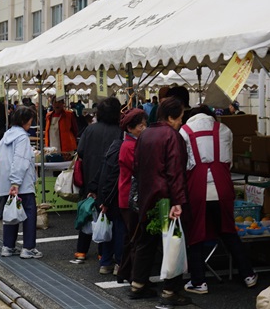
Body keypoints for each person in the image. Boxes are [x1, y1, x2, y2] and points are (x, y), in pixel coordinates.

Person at [180, 105, 257, 295]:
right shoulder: (224, 130)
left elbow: (184, 162)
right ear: (211, 115)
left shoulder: (184, 131)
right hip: (222, 187)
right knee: (228, 231)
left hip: (197, 188)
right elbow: (228, 161)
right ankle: (248, 274)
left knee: (195, 234)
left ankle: (199, 281)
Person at [129, 97, 191, 306]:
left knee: (146, 240)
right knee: (172, 243)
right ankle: (170, 291)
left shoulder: (145, 134)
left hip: (148, 196)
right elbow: (175, 172)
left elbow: (136, 167)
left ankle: (137, 284)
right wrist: (178, 201)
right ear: (171, 117)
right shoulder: (173, 136)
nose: (181, 122)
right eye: (180, 118)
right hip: (166, 198)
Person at [73, 97, 123, 267]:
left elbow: (80, 151)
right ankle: (103, 253)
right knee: (106, 216)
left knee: (87, 213)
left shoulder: (90, 130)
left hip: (89, 177)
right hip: (110, 181)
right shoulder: (119, 132)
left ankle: (81, 251)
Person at [0, 106, 43, 259]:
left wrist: (10, 183)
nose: (30, 124)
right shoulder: (22, 137)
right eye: (29, 121)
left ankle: (8, 246)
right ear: (24, 121)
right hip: (22, 183)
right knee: (28, 213)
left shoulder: (6, 136)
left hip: (6, 182)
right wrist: (16, 182)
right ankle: (28, 248)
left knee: (11, 213)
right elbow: (20, 160)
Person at [112, 108, 148, 283]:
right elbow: (139, 168)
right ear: (130, 128)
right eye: (141, 125)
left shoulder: (130, 143)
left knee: (129, 238)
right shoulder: (129, 146)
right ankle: (136, 277)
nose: (144, 128)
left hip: (126, 196)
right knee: (135, 239)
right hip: (129, 197)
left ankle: (124, 273)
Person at [44, 96, 79, 160]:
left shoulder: (69, 114)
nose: (57, 104)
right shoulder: (48, 116)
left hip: (66, 148)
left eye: (60, 102)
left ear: (63, 104)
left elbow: (75, 130)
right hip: (52, 146)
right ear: (52, 104)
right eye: (55, 102)